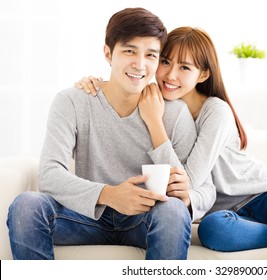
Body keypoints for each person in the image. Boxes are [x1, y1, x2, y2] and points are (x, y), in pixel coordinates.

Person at [76, 27, 267, 259]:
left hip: (265, 195)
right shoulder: (153, 98)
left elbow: (190, 181)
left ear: (203, 74)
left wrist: (155, 124)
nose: (170, 75)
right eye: (165, 62)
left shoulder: (216, 111)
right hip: (222, 213)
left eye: (185, 68)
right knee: (213, 233)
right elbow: (117, 87)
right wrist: (91, 83)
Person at [6, 8, 216, 260]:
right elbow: (50, 174)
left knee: (172, 211)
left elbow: (207, 189)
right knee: (26, 206)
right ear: (108, 53)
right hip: (86, 217)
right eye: (129, 51)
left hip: (146, 220)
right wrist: (110, 194)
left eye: (150, 55)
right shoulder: (72, 101)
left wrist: (187, 195)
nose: (139, 64)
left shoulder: (174, 113)